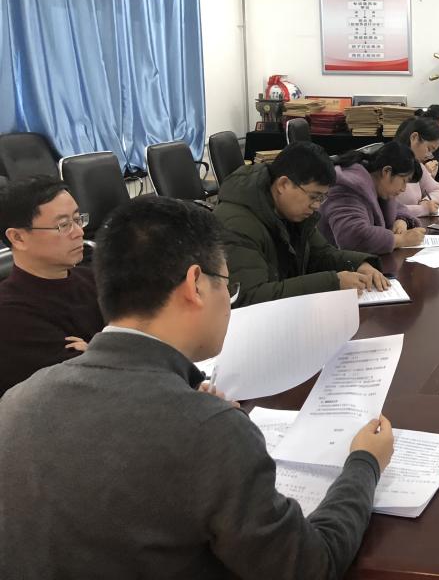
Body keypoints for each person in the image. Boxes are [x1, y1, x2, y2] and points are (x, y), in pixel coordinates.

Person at [0, 196, 395, 577]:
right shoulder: (210, 431)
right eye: (226, 282)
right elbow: (309, 565)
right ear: (195, 284)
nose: (228, 298)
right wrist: (364, 464)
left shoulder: (16, 402)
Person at [214, 141, 387, 307]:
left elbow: (321, 254)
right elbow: (249, 297)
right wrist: (332, 283)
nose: (317, 205)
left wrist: (358, 264)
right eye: (314, 197)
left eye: (322, 198)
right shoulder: (237, 224)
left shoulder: (293, 212)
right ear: (283, 184)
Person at [0, 176, 103, 396]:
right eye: (64, 225)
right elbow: (84, 383)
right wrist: (108, 352)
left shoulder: (92, 278)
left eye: (78, 219)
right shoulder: (10, 314)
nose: (79, 232)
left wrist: (96, 352)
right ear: (18, 237)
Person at [320, 142, 427, 254]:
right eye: (404, 181)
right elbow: (353, 236)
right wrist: (401, 240)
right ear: (387, 172)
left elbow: (399, 208)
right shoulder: (347, 188)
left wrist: (401, 220)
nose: (404, 189)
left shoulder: (379, 187)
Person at [393, 116, 439, 217]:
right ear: (414, 137)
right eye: (429, 149)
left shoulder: (416, 164)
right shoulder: (389, 165)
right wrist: (423, 209)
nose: (429, 155)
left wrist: (427, 201)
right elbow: (388, 210)